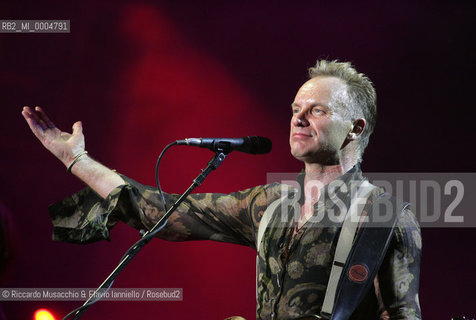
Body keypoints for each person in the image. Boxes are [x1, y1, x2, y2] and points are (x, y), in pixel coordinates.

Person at [22, 60, 422, 319]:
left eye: (316, 110)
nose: (298, 119)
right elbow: (161, 212)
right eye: (295, 110)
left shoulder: (385, 216)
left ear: (355, 127)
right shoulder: (270, 202)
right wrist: (77, 160)